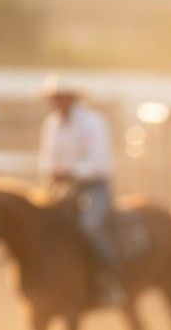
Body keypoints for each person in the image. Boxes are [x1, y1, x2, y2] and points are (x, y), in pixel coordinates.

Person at [38, 74, 123, 305]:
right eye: (56, 98)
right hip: (64, 189)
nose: (59, 102)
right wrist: (53, 175)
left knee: (90, 226)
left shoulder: (93, 122)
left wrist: (70, 172)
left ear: (73, 99)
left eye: (64, 97)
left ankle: (110, 276)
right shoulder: (52, 124)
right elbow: (47, 159)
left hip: (95, 187)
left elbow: (99, 162)